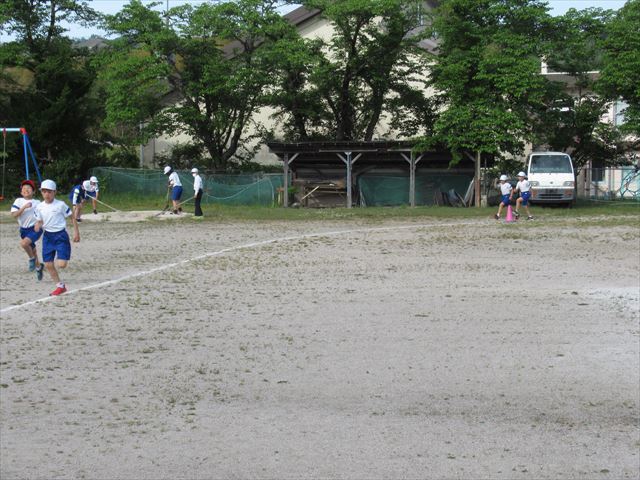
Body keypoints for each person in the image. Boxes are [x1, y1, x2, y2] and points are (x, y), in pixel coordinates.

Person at [34, 179, 80, 296]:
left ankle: (63, 253)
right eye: (44, 192)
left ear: (54, 192)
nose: (47, 194)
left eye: (49, 192)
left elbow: (72, 217)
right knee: (48, 264)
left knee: (62, 265)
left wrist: (76, 232)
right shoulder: (39, 207)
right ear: (41, 193)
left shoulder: (60, 205)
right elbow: (39, 220)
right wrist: (37, 226)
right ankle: (60, 286)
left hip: (60, 236)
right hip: (48, 236)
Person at [10, 179, 44, 280]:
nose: (26, 190)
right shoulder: (18, 201)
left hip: (34, 229)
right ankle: (39, 267)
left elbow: (44, 215)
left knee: (24, 244)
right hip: (23, 230)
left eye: (29, 188)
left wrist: (39, 223)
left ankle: (32, 260)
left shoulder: (37, 202)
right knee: (33, 251)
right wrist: (24, 207)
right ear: (21, 192)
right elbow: (14, 215)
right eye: (24, 188)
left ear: (33, 191)